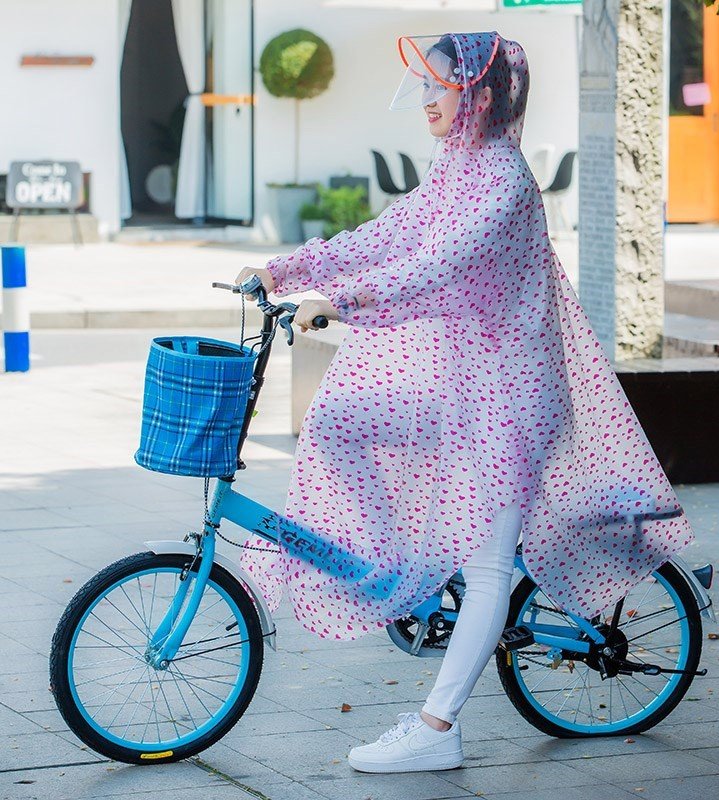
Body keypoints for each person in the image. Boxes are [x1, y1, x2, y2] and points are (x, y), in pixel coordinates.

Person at [235, 31, 695, 773]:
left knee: (486, 573)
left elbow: (432, 265)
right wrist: (286, 269)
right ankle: (398, 568)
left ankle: (437, 728)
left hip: (511, 403)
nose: (426, 99)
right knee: (339, 419)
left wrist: (342, 301)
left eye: (438, 86)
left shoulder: (503, 183)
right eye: (422, 86)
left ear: (478, 94)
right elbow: (391, 233)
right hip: (462, 391)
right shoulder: (457, 167)